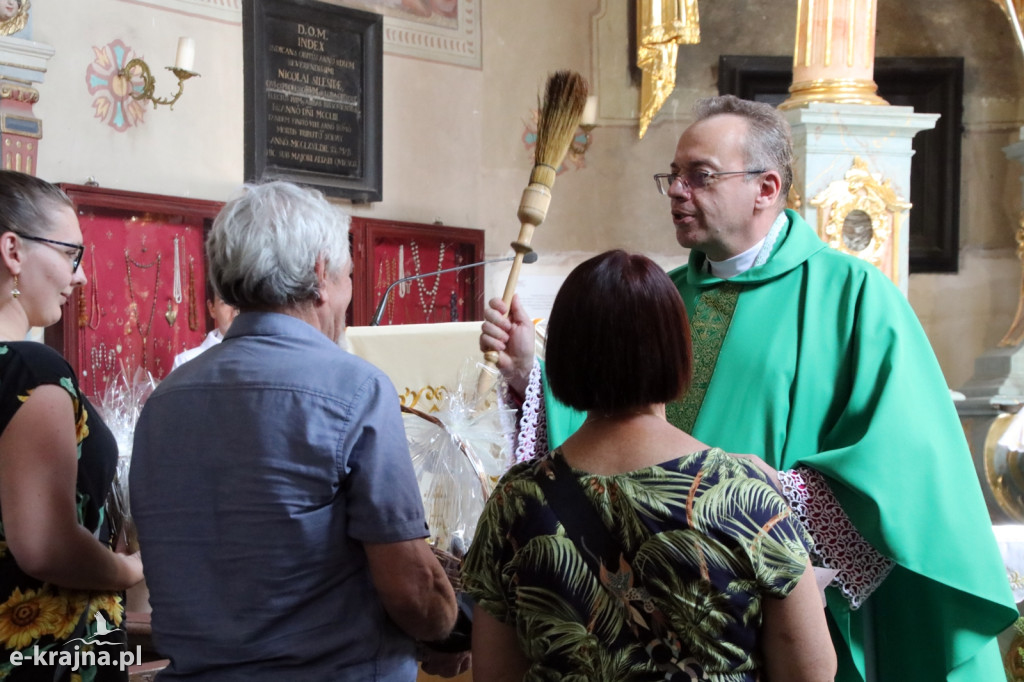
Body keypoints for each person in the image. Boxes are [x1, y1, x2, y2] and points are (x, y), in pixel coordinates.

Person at [480, 95, 1018, 681]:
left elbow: (911, 461)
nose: (677, 191)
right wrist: (531, 373)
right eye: (674, 175)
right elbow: (610, 422)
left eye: (700, 176)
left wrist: (777, 496)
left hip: (789, 601)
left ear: (766, 187)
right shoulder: (664, 296)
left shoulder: (853, 296)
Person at [130, 181, 458, 681]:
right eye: (350, 275)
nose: (348, 295)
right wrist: (454, 623)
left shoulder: (165, 400)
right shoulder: (354, 387)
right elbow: (413, 594)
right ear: (321, 275)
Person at [463, 250, 836, 681]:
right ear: (677, 352)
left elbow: (494, 673)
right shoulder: (743, 494)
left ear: (564, 355)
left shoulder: (515, 502)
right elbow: (812, 670)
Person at [0, 171, 143, 680]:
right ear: (13, 252)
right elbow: (45, 545)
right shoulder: (32, 371)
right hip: (41, 653)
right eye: (70, 254)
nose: (79, 277)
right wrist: (129, 568)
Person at [170, 288, 237, 370]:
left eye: (244, 302)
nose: (236, 311)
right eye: (227, 302)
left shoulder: (256, 355)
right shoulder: (186, 363)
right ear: (212, 308)